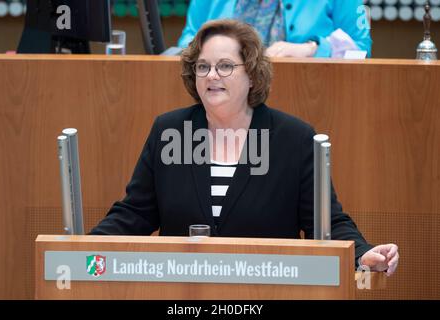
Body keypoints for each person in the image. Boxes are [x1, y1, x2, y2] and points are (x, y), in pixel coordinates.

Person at [90, 19, 398, 275]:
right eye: (203, 67)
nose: (211, 75)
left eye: (225, 66)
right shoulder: (170, 131)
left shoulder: (293, 138)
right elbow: (136, 213)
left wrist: (362, 254)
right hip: (183, 292)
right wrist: (83, 249)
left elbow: (327, 222)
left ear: (251, 74)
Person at [177, 0, 372, 58]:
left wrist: (312, 50)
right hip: (221, 104)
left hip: (306, 98)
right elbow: (187, 42)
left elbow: (361, 50)